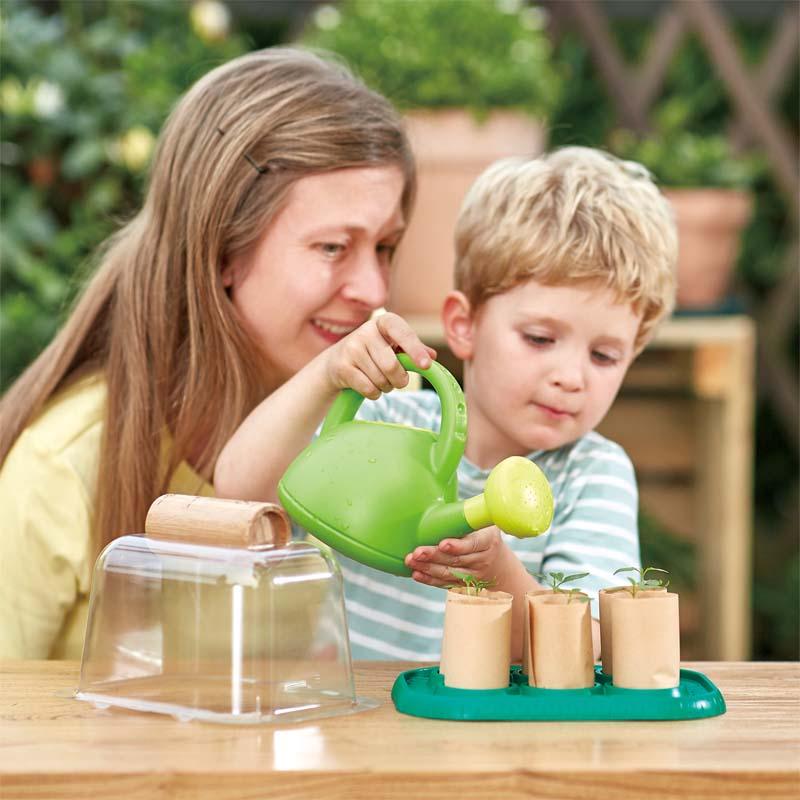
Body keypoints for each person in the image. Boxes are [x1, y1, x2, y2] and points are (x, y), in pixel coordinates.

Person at [0, 47, 422, 659]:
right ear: (222, 252)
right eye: (333, 247)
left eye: (385, 248)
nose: (373, 291)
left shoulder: (379, 422)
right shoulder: (62, 468)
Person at [214, 147, 678, 662]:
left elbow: (586, 651)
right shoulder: (385, 421)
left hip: (495, 739)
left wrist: (499, 573)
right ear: (464, 325)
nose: (570, 377)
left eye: (605, 355)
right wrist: (325, 373)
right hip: (348, 724)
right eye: (540, 339)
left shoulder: (592, 474)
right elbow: (239, 489)